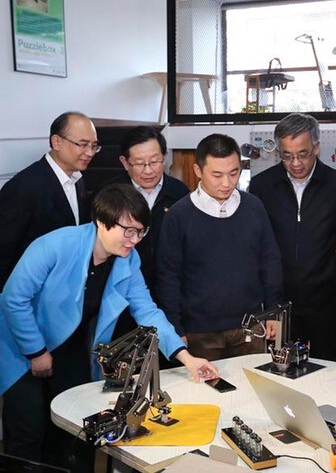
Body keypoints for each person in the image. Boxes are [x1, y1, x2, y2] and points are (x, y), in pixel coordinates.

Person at [0, 183, 218, 470]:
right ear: (102, 222)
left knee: (76, 431)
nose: (134, 240)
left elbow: (147, 311)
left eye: (141, 232)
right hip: (21, 348)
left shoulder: (128, 261)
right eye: (128, 231)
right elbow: (13, 299)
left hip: (72, 351)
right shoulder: (55, 245)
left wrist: (185, 357)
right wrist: (36, 351)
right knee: (27, 431)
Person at [156, 133, 283, 361]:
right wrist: (174, 327)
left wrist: (273, 311)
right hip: (199, 333)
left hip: (251, 328)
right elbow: (168, 276)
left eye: (234, 173)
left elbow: (270, 261)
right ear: (198, 170)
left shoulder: (253, 207)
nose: (226, 183)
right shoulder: (178, 215)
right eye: (217, 175)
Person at [249, 113, 336, 361]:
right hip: (278, 303)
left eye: (303, 154)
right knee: (279, 369)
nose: (295, 163)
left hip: (324, 301)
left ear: (316, 148)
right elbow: (256, 247)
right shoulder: (261, 186)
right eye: (287, 156)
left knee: (322, 367)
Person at [0, 111, 97, 290]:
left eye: (94, 146)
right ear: (57, 142)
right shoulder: (23, 187)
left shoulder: (78, 179)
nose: (90, 152)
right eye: (83, 145)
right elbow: (4, 252)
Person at [110, 126, 190, 341]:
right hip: (124, 297)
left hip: (172, 296)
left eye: (154, 161)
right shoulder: (110, 196)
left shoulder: (180, 194)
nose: (148, 170)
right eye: (139, 163)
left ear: (165, 157)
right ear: (125, 162)